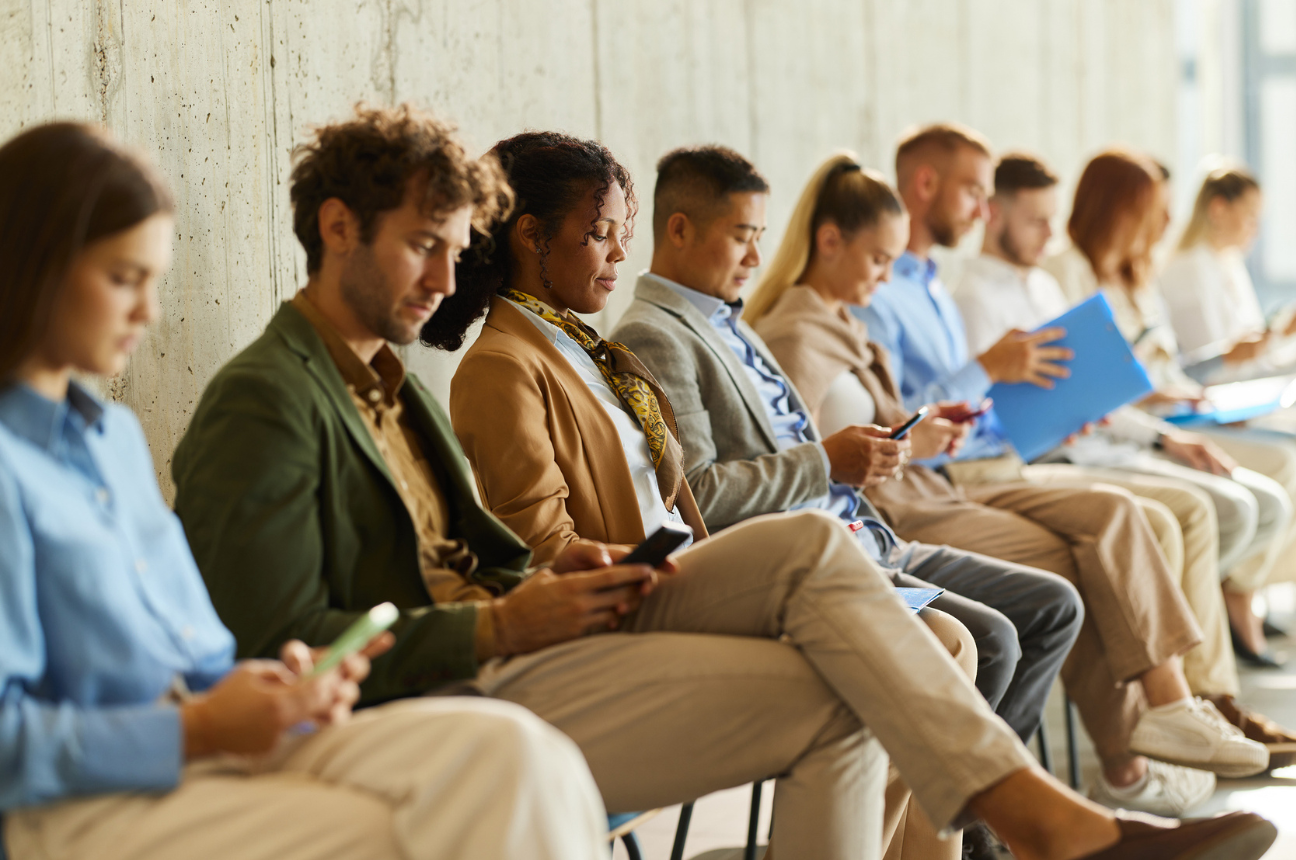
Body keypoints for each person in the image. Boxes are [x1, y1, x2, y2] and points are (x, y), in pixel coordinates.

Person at [166, 106, 1275, 860]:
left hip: (547, 623)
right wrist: (510, 614)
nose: (449, 277)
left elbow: (494, 546)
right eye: (425, 247)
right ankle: (1050, 823)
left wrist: (570, 570)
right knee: (841, 593)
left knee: (838, 601)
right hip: (463, 685)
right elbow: (276, 639)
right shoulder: (275, 396)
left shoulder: (393, 380)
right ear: (337, 227)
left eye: (459, 247)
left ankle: (1046, 819)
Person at [0, 121, 611, 860]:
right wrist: (198, 728)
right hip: (80, 801)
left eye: (154, 282)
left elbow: (197, 652)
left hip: (212, 744)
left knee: (517, 754)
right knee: (435, 811)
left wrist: (273, 686)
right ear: (32, 264)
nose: (148, 313)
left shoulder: (114, 440)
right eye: (123, 279)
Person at [437, 130, 986, 860]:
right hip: (637, 604)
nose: (618, 257)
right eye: (598, 236)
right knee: (826, 571)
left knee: (951, 641)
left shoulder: (596, 351)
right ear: (531, 237)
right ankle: (1022, 816)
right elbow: (543, 555)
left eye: (619, 235)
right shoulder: (504, 365)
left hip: (691, 573)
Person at [739, 148, 1274, 816]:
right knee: (1089, 570)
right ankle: (1096, 773)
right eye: (879, 260)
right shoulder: (807, 329)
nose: (884, 276)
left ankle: (1163, 715)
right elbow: (815, 458)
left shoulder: (858, 314)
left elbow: (884, 421)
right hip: (909, 499)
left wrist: (930, 428)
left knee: (1116, 519)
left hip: (949, 472)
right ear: (830, 242)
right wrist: (926, 427)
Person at [608, 145, 1084, 762]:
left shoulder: (730, 320)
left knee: (1049, 608)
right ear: (679, 229)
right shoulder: (657, 333)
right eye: (740, 237)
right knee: (991, 639)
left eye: (760, 237)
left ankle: (972, 825)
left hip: (864, 531)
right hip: (810, 556)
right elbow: (698, 493)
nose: (756, 256)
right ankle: (972, 831)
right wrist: (826, 463)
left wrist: (861, 460)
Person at [955, 152, 1296, 766]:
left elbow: (1099, 391)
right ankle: (1193, 700)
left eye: (1051, 220)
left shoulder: (1044, 283)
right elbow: (977, 414)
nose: (1047, 235)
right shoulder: (973, 294)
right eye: (1034, 220)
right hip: (1041, 456)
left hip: (1095, 436)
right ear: (992, 212)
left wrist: (1159, 435)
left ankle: (1210, 695)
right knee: (1186, 511)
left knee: (1204, 506)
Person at [1042, 149, 1296, 668]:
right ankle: (1210, 646)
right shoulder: (1065, 275)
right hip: (1126, 433)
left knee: (1259, 496)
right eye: (1152, 210)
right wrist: (1155, 406)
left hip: (1165, 420)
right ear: (1115, 210)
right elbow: (1088, 388)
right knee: (1240, 499)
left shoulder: (1138, 275)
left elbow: (1168, 366)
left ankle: (1208, 656)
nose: (1163, 223)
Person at [1161, 163, 1296, 379]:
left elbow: (1252, 355)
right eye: (1251, 217)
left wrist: (1283, 333)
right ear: (1218, 209)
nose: (1257, 230)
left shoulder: (1229, 263)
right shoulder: (1187, 271)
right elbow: (1208, 371)